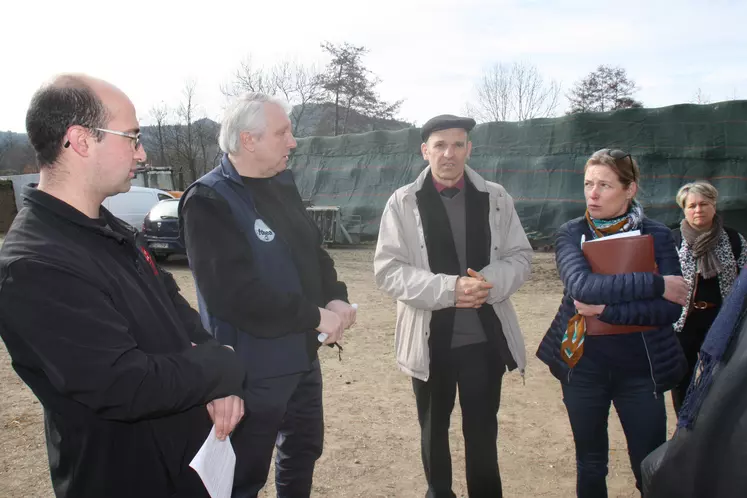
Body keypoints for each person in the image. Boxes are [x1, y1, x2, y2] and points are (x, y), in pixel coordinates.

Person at [0, 74, 247, 498]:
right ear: (80, 140)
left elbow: (171, 303)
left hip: (181, 460)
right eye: (131, 138)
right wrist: (222, 368)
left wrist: (212, 366)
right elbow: (122, 383)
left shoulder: (103, 225)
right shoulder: (34, 264)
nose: (142, 152)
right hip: (126, 477)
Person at [179, 92, 355, 498]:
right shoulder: (208, 200)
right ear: (249, 140)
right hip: (251, 368)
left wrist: (335, 297)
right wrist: (313, 316)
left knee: (303, 451)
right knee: (244, 473)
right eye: (283, 133)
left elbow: (313, 254)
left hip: (301, 358)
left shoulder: (281, 187)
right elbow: (233, 295)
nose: (292, 142)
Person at [373, 114, 533, 498]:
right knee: (433, 432)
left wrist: (487, 284)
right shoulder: (402, 202)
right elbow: (388, 270)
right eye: (440, 145)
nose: (449, 153)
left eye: (458, 144)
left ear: (469, 149)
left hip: (482, 342)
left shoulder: (495, 197)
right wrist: (450, 289)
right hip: (430, 343)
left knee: (482, 432)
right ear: (425, 150)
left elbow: (520, 257)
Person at [535, 148, 689, 497]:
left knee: (650, 464)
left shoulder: (659, 235)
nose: (592, 193)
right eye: (588, 183)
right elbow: (582, 288)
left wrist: (606, 311)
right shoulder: (571, 233)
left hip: (640, 369)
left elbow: (668, 311)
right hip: (583, 368)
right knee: (590, 463)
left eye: (604, 185)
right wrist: (656, 284)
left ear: (629, 189)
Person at [642, 262, 747, 498]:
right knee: (688, 389)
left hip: (719, 326)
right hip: (695, 329)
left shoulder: (733, 241)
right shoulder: (678, 240)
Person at [670, 180, 746, 415]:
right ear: (684, 209)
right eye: (691, 205)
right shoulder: (672, 240)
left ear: (714, 205)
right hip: (684, 320)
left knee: (719, 374)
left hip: (722, 318)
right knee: (682, 376)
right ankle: (684, 425)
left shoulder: (734, 240)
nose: (698, 210)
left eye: (703, 204)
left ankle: (711, 425)